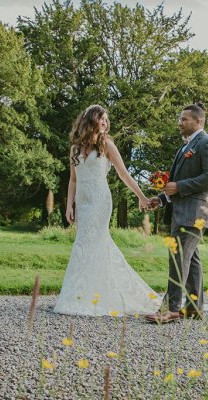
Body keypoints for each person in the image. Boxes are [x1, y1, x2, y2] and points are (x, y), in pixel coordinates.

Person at [54, 105, 161, 316]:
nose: (105, 122)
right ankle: (80, 294)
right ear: (91, 120)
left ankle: (97, 297)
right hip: (83, 202)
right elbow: (73, 180)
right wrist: (69, 206)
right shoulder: (75, 148)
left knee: (94, 242)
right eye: (101, 119)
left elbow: (124, 174)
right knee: (83, 245)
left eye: (106, 120)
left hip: (100, 201)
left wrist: (141, 196)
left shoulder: (107, 146)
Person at [145, 102, 208, 323]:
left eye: (184, 119)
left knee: (178, 258)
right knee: (192, 260)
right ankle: (193, 307)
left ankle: (171, 309)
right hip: (181, 211)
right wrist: (160, 199)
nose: (179, 122)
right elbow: (175, 185)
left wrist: (179, 186)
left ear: (199, 121)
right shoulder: (183, 148)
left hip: (195, 212)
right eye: (179, 119)